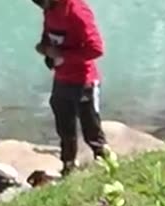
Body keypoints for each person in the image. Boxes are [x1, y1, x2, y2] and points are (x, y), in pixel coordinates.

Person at [34, 0, 108, 175]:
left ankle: (105, 163)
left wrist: (63, 55)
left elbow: (96, 49)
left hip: (84, 81)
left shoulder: (77, 11)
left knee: (91, 127)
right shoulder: (50, 9)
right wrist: (44, 48)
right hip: (62, 78)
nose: (38, 5)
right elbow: (48, 37)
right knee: (64, 127)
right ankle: (68, 166)